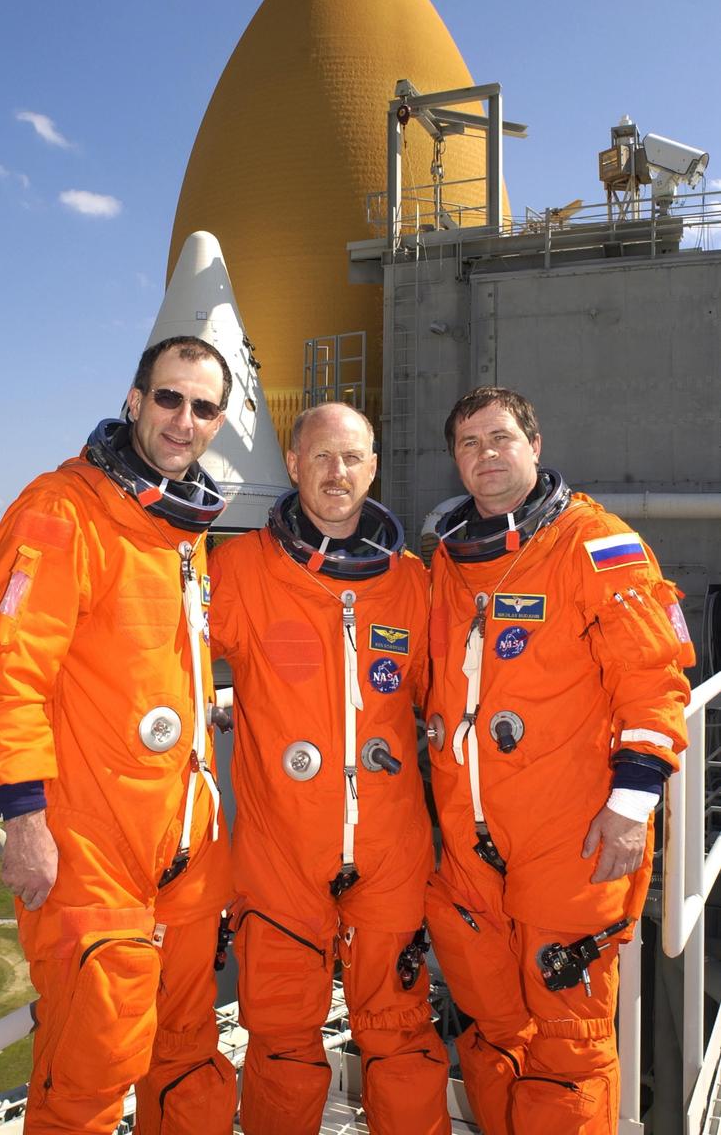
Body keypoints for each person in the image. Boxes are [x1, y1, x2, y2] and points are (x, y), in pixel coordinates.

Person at [0, 336, 238, 1135]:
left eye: (203, 407)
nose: (183, 421)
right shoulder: (64, 508)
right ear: (134, 399)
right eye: (169, 399)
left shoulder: (183, 529)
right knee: (91, 1074)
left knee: (187, 1057)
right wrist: (24, 816)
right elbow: (6, 675)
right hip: (91, 848)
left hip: (184, 849)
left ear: (219, 422)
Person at [423, 385, 692, 1135]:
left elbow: (654, 678)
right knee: (489, 1029)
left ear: (534, 447)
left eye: (501, 438)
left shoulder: (595, 544)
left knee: (569, 1045)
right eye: (469, 445)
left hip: (571, 838)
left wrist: (632, 809)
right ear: (456, 462)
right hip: (472, 847)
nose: (487, 456)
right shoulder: (448, 562)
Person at [209, 401, 450, 1135]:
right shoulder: (243, 568)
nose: (336, 472)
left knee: (400, 1036)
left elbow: (453, 700)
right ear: (292, 464)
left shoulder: (412, 583)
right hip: (281, 850)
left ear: (374, 466)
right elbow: (164, 665)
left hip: (390, 853)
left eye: (352, 457)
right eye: (320, 456)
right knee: (281, 1041)